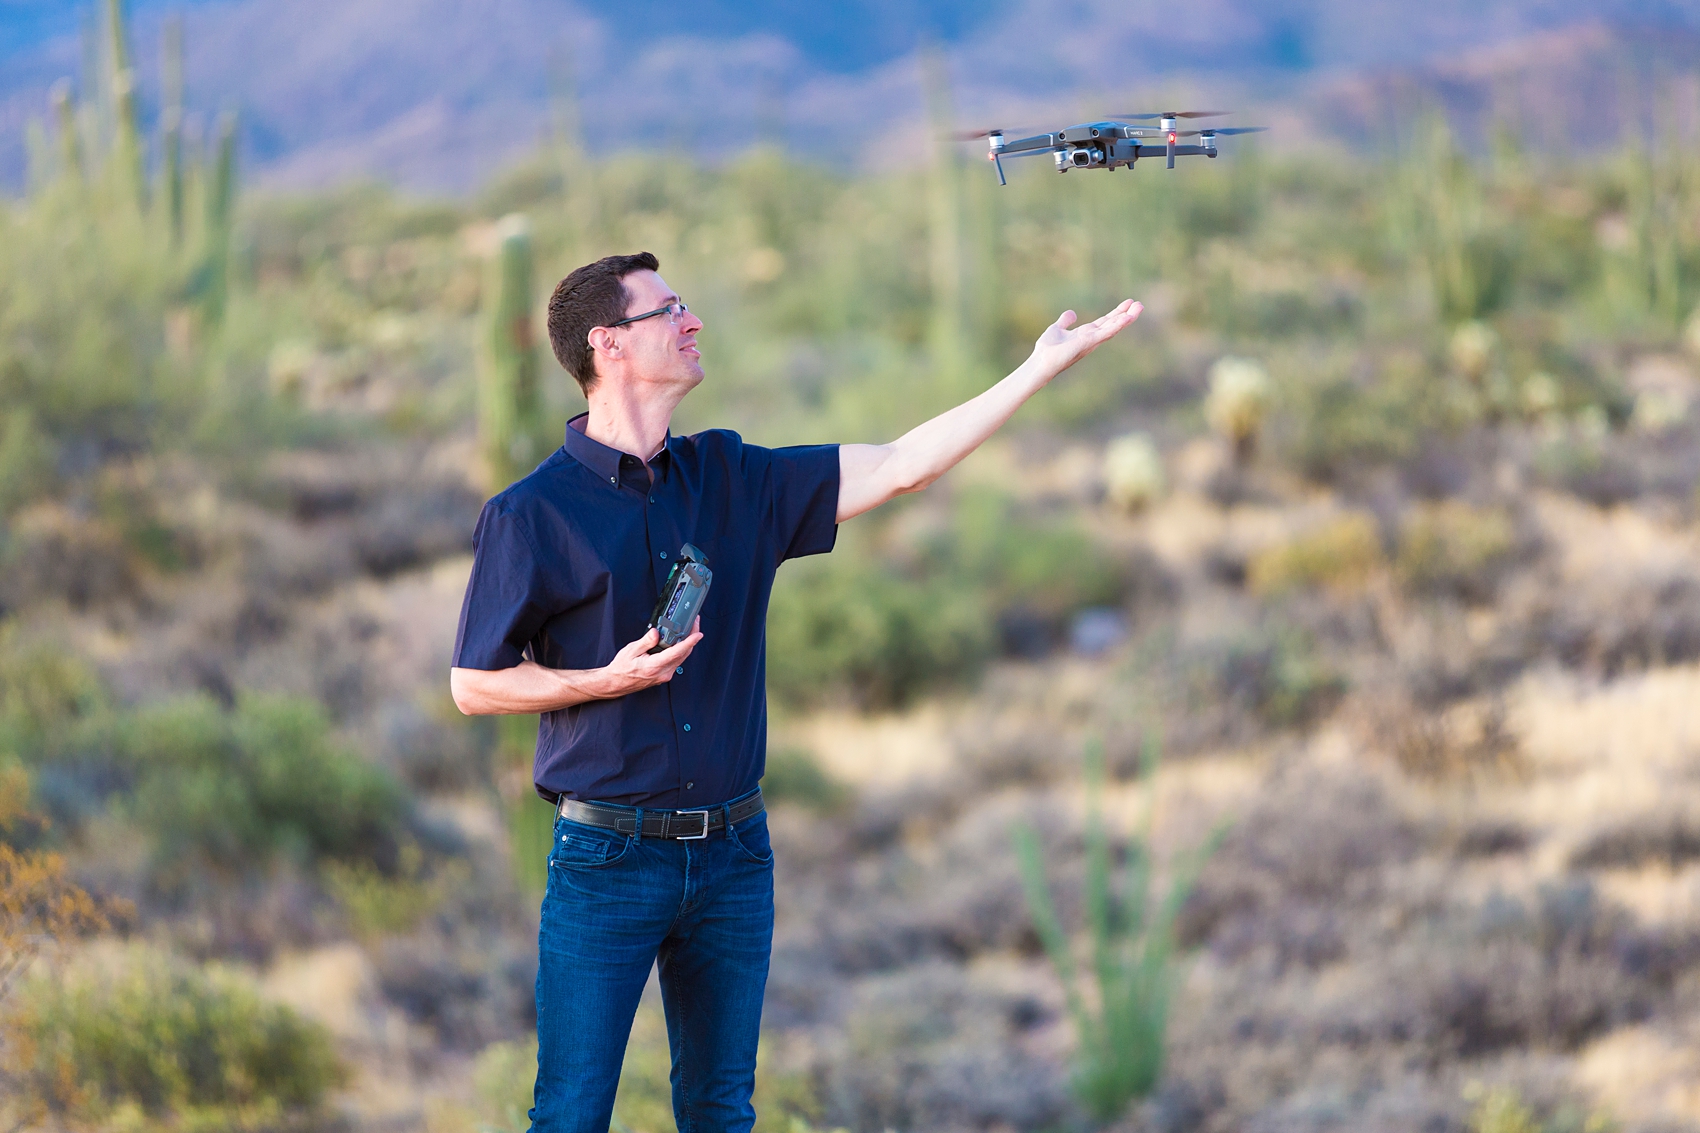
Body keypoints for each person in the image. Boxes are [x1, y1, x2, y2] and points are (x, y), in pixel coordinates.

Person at [449, 251, 1141, 1133]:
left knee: (721, 1112)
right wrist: (603, 679)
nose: (693, 322)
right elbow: (474, 684)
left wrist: (1038, 369)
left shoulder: (735, 478)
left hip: (737, 852)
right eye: (670, 311)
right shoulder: (531, 513)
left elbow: (900, 464)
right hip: (607, 862)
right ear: (607, 345)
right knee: (572, 1115)